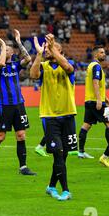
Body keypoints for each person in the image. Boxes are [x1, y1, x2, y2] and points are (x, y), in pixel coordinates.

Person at [30, 34, 77, 201]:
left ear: (60, 51)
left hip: (68, 115)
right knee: (57, 152)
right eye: (48, 49)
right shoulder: (44, 66)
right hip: (49, 117)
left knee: (63, 156)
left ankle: (51, 186)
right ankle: (65, 190)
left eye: (52, 49)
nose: (48, 50)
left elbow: (67, 67)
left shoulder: (69, 64)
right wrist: (39, 54)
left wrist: (52, 48)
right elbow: (33, 75)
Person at [0, 30, 36, 176]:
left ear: (12, 53)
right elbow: (0, 63)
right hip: (5, 106)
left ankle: (23, 167)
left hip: (19, 104)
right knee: (0, 136)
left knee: (21, 135)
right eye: (3, 49)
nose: (4, 50)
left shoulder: (15, 65)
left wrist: (18, 41)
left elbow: (28, 59)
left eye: (7, 50)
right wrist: (1, 46)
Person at [78, 46, 109, 159]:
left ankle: (81, 152)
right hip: (96, 101)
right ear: (96, 55)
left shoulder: (90, 66)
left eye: (104, 52)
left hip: (89, 100)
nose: (104, 54)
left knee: (86, 125)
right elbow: (95, 83)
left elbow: (94, 85)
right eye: (101, 52)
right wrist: (100, 100)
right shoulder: (96, 67)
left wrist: (104, 98)